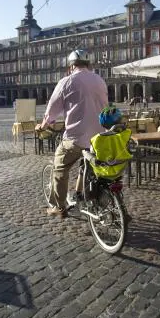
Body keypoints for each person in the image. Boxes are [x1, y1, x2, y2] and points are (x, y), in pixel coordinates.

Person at [36, 49, 108, 218]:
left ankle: (59, 207)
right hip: (100, 137)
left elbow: (52, 110)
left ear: (71, 66)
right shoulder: (99, 80)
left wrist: (44, 124)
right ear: (88, 65)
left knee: (60, 165)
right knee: (87, 161)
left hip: (77, 138)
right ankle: (79, 194)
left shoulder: (66, 82)